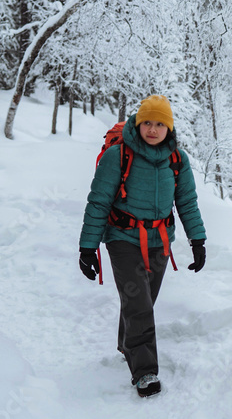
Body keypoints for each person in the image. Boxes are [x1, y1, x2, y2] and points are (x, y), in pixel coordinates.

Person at [78, 94, 207, 398]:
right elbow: (99, 201)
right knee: (138, 304)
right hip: (122, 239)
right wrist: (87, 247)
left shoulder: (178, 159)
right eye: (147, 122)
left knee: (144, 301)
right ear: (138, 122)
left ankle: (128, 345)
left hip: (159, 240)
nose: (152, 129)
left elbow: (187, 201)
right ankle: (145, 371)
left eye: (159, 124)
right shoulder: (118, 156)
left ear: (169, 128)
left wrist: (197, 239)